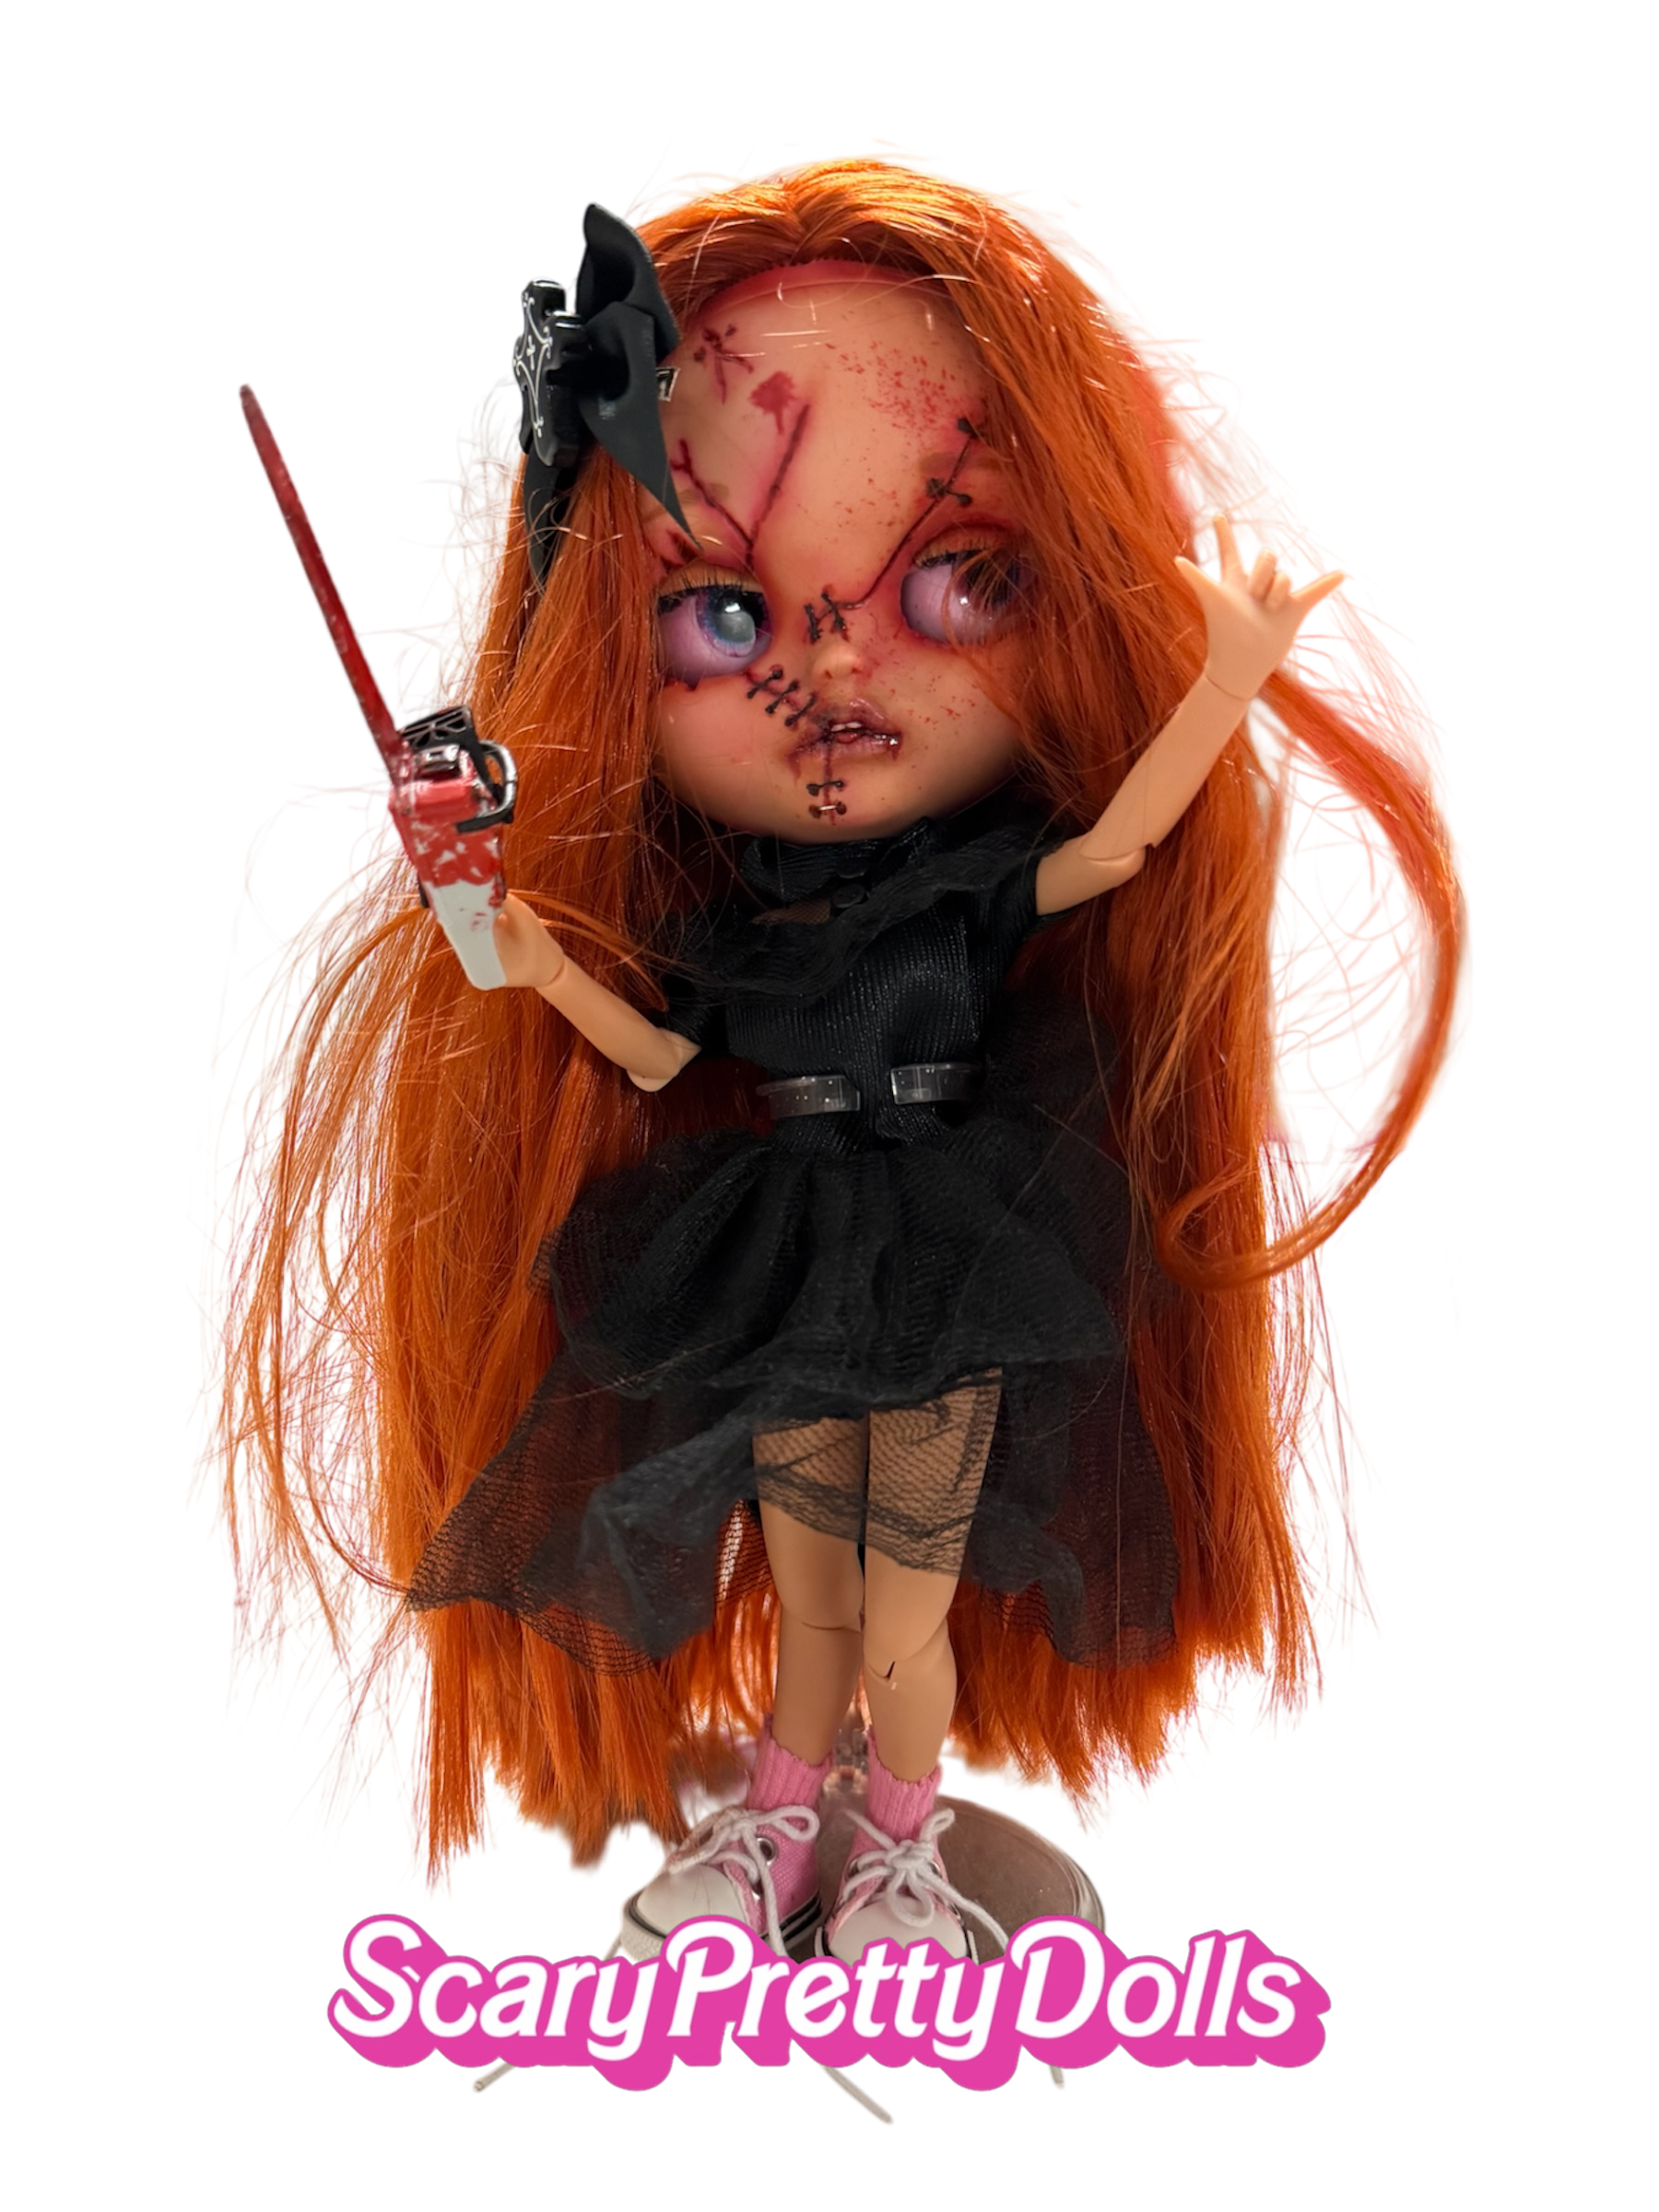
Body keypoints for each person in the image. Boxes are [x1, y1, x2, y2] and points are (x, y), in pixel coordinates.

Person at [194, 145, 1470, 1970]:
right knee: (817, 1599)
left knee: (907, 1608)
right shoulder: (735, 919)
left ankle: (899, 1857)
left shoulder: (969, 890)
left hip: (952, 1248)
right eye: (719, 610)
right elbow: (648, 1045)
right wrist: (503, 935)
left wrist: (1222, 676)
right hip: (782, 1250)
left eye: (960, 578)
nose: (831, 675)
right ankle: (783, 1835)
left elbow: (1114, 849)